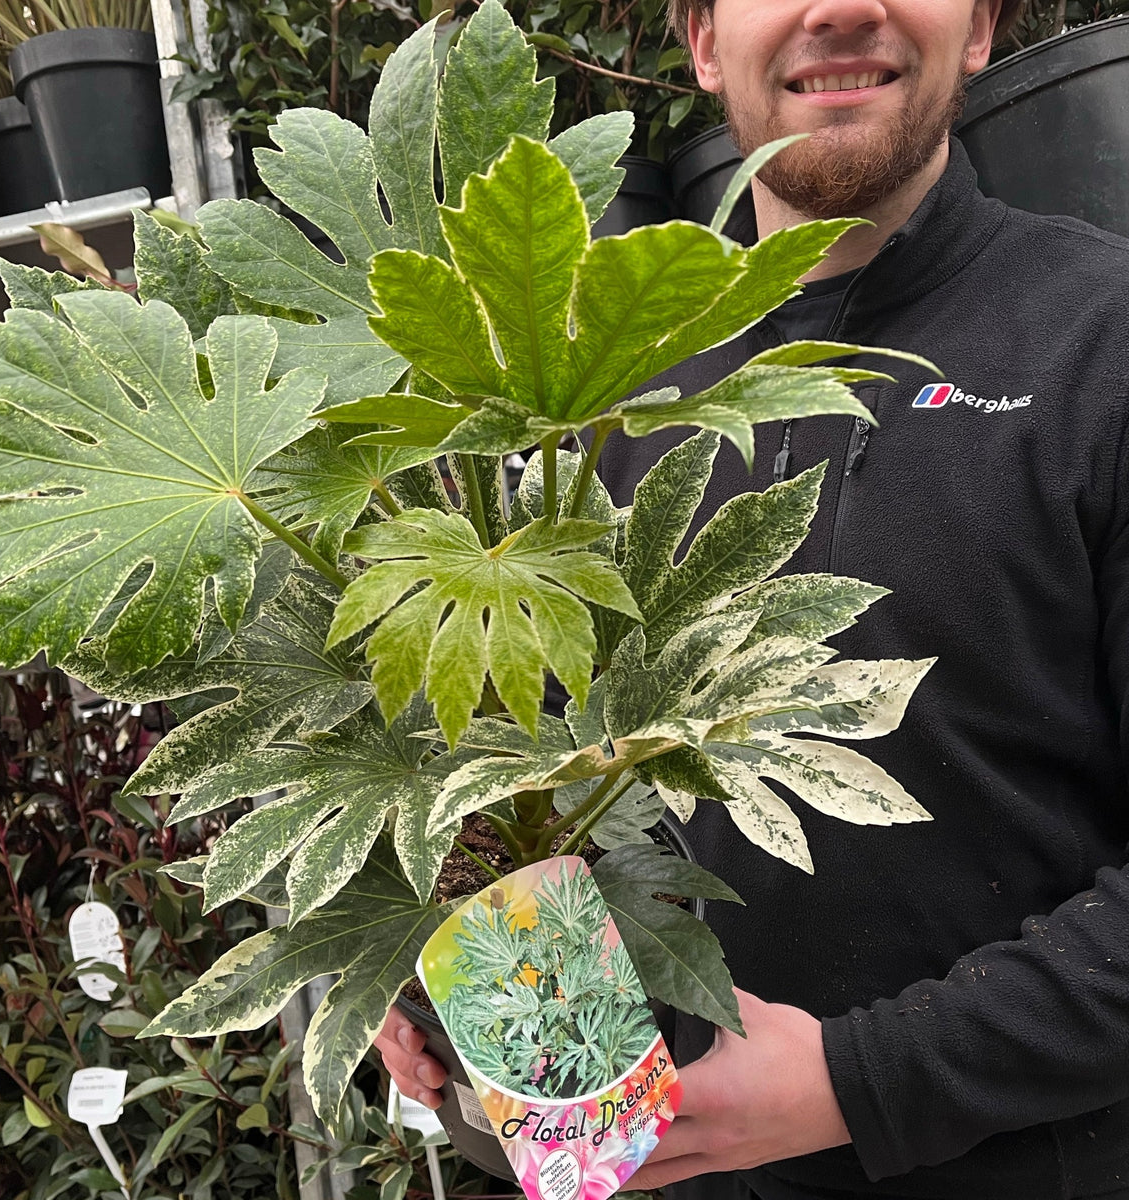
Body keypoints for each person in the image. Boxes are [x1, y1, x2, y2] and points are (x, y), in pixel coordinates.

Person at [378, 1, 1129, 1196]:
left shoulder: (1103, 340)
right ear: (704, 41)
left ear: (980, 27)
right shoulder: (598, 390)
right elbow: (532, 782)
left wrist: (858, 1081)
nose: (840, 6)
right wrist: (425, 961)